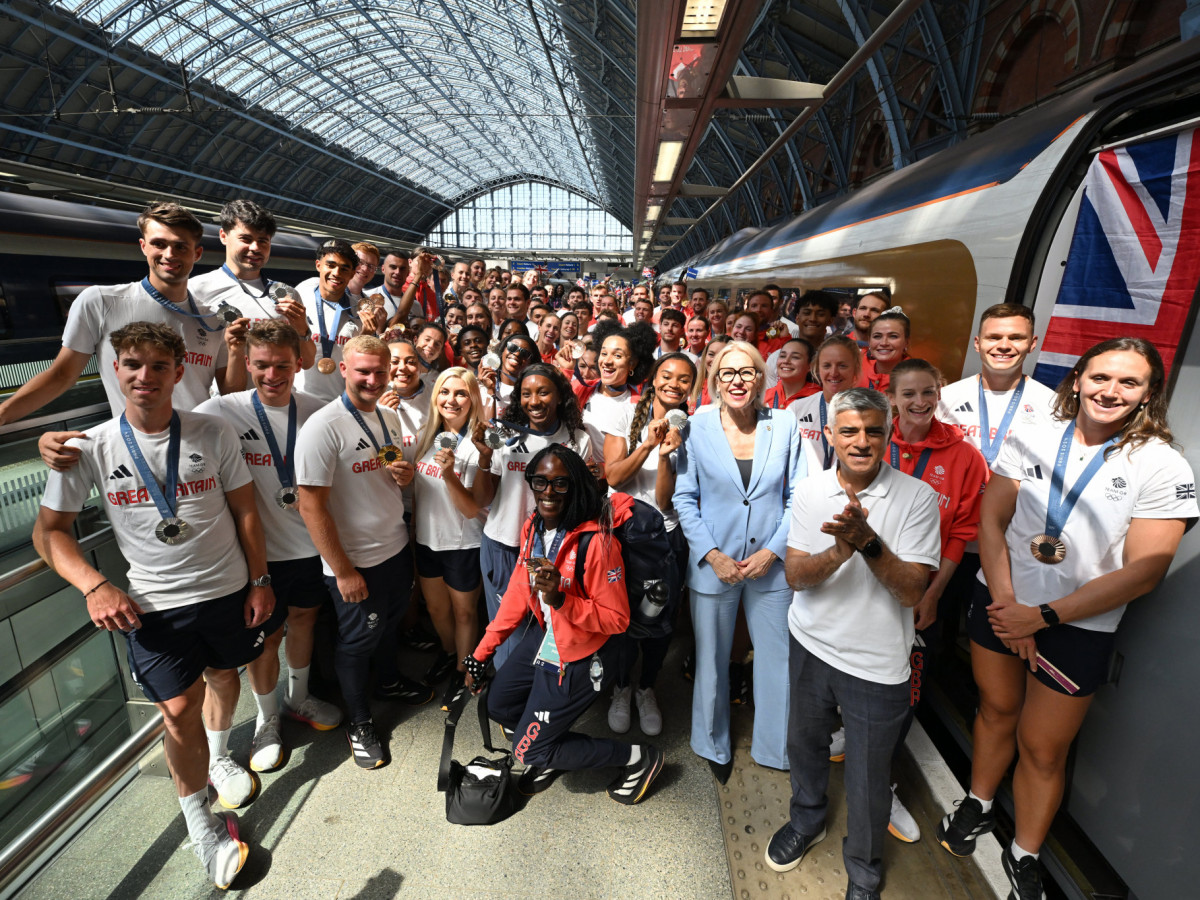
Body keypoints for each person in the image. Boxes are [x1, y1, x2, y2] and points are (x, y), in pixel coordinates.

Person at [937, 338, 1196, 900]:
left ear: (1149, 394)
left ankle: (1025, 851)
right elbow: (993, 518)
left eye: (1129, 383)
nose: (1110, 391)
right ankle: (979, 802)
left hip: (1076, 626)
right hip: (1001, 604)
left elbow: (1144, 572)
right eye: (1101, 377)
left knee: (1043, 748)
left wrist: (1043, 617)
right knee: (996, 708)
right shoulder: (1032, 434)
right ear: (1077, 378)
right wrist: (1008, 606)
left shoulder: (1161, 464)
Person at [34, 321, 275, 889]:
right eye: (133, 365)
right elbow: (51, 534)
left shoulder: (212, 433)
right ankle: (202, 826)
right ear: (114, 370)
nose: (146, 376)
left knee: (222, 676)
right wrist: (95, 585)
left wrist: (261, 580)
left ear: (178, 372)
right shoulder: (88, 447)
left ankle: (219, 758)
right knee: (176, 709)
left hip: (228, 590)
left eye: (158, 367)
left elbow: (245, 512)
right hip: (153, 606)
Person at [772, 388, 941, 899]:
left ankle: (864, 871)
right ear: (829, 435)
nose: (861, 440)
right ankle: (807, 821)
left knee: (869, 776)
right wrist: (842, 549)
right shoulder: (810, 492)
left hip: (877, 663)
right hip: (811, 645)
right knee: (805, 745)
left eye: (872, 430)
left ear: (888, 435)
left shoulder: (917, 498)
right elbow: (798, 576)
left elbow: (912, 589)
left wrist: (868, 542)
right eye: (848, 430)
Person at [462, 445, 665, 803]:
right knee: (499, 704)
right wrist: (480, 655)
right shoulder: (533, 527)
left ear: (576, 487)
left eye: (560, 484)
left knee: (526, 754)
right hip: (549, 637)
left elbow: (617, 620)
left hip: (581, 656)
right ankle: (549, 740)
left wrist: (561, 601)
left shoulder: (598, 543)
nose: (548, 492)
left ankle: (638, 758)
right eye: (540, 482)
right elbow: (514, 596)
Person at [193, 318, 343, 771]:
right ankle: (266, 720)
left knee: (303, 621)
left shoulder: (320, 408)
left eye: (282, 365)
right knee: (265, 638)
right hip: (257, 556)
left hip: (308, 547)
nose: (272, 375)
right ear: (248, 362)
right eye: (261, 365)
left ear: (299, 363)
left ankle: (298, 698)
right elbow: (157, 426)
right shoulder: (220, 410)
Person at [296, 335, 430, 770]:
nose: (372, 380)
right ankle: (359, 722)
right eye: (362, 371)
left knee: (388, 627)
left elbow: (387, 464)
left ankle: (388, 681)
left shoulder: (387, 415)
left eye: (379, 371)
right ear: (344, 370)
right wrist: (343, 571)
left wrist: (402, 472)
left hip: (392, 549)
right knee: (355, 643)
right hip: (355, 562)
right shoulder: (322, 426)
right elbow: (310, 504)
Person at [674, 341, 804, 783]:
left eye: (746, 372)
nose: (737, 381)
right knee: (710, 659)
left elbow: (797, 496)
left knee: (777, 659)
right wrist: (711, 554)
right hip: (716, 565)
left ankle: (776, 746)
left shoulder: (785, 425)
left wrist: (773, 550)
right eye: (727, 373)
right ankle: (712, 742)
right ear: (713, 381)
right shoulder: (696, 427)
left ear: (761, 379)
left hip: (771, 565)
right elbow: (684, 499)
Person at [2, 201, 246, 432]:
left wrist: (236, 350)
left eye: (180, 246)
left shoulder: (213, 319)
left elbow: (228, 393)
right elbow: (61, 376)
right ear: (143, 246)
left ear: (197, 253)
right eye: (159, 244)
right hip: (134, 449)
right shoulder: (100, 302)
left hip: (202, 446)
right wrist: (2, 416)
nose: (169, 254)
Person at [881, 358, 988, 841]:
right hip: (864, 589)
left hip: (923, 594)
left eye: (928, 392)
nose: (919, 402)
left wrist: (934, 595)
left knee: (905, 690)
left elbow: (960, 534)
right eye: (909, 394)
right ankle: (849, 742)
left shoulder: (965, 457)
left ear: (940, 392)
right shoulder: (874, 441)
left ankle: (881, 782)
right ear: (892, 396)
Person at [936, 303, 1058, 652]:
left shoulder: (1052, 406)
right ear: (978, 343)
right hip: (949, 540)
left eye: (1015, 337)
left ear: (1032, 343)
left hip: (1008, 544)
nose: (1003, 345)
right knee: (934, 624)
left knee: (987, 635)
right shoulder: (946, 399)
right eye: (994, 337)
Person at [470, 363, 593, 670]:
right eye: (526, 394)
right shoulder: (503, 437)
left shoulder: (578, 440)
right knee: (505, 626)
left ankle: (538, 695)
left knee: (546, 620)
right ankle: (506, 698)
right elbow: (483, 499)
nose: (534, 401)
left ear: (560, 396)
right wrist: (485, 458)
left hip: (550, 551)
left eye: (543, 392)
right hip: (506, 545)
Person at [602, 353, 695, 736]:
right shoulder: (623, 414)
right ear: (653, 378)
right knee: (622, 617)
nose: (674, 384)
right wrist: (646, 446)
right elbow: (613, 475)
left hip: (666, 535)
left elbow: (663, 502)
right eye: (667, 375)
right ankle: (621, 688)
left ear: (693, 385)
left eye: (685, 379)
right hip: (623, 531)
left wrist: (665, 456)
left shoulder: (695, 426)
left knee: (660, 618)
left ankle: (646, 688)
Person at [412, 367, 488, 708]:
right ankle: (448, 653)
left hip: (463, 543)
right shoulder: (427, 436)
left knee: (464, 615)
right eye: (445, 392)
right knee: (436, 609)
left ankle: (463, 669)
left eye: (460, 393)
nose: (451, 400)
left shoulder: (478, 444)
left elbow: (472, 509)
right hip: (427, 541)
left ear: (473, 399)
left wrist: (449, 476)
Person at [190, 199, 316, 371]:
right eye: (245, 239)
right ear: (223, 236)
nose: (255, 248)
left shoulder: (287, 294)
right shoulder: (197, 289)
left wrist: (302, 329)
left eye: (263, 241)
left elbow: (307, 362)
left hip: (277, 394)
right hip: (223, 397)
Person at [294, 240, 362, 402]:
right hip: (298, 398)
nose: (336, 273)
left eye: (344, 268)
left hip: (337, 402)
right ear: (318, 265)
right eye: (330, 265)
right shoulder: (300, 298)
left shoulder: (358, 312)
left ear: (352, 274)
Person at [790, 335, 863, 470]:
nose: (834, 372)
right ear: (818, 368)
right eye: (827, 365)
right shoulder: (796, 408)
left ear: (855, 368)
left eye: (842, 365)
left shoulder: (867, 413)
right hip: (805, 490)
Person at [581, 322, 657, 451]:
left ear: (632, 364)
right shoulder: (582, 388)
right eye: (604, 353)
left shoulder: (639, 406)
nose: (607, 361)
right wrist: (567, 370)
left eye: (617, 355)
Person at [863, 308, 910, 392]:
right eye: (877, 336)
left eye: (893, 336)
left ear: (906, 342)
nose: (884, 343)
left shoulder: (920, 376)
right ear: (869, 341)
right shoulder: (856, 370)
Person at [764, 338, 818, 409]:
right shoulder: (764, 397)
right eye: (782, 356)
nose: (786, 361)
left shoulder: (819, 398)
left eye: (795, 357)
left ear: (810, 366)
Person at [695, 334, 731, 408]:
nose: (715, 360)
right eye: (711, 354)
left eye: (721, 355)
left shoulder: (735, 389)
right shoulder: (694, 384)